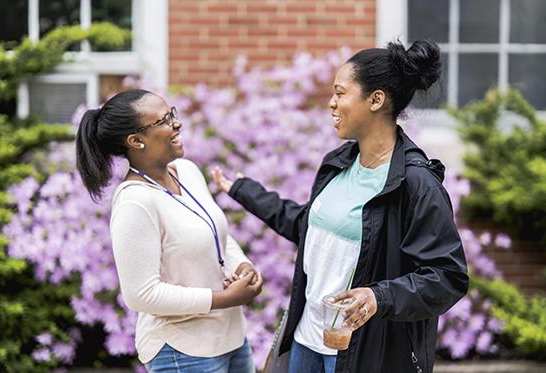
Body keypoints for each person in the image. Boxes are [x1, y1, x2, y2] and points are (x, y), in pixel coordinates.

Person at [212, 40, 469, 373]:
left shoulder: (416, 184)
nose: (331, 104)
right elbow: (309, 226)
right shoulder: (339, 163)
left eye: (341, 93)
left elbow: (447, 276)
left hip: (365, 355)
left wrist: (380, 297)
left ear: (376, 100)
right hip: (307, 341)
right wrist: (245, 191)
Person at [75, 89, 263, 373]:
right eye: (163, 120)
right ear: (136, 141)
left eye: (172, 114)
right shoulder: (135, 202)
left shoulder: (185, 171)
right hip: (183, 352)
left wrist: (243, 265)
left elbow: (212, 230)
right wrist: (224, 299)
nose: (177, 124)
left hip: (232, 339)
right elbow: (141, 295)